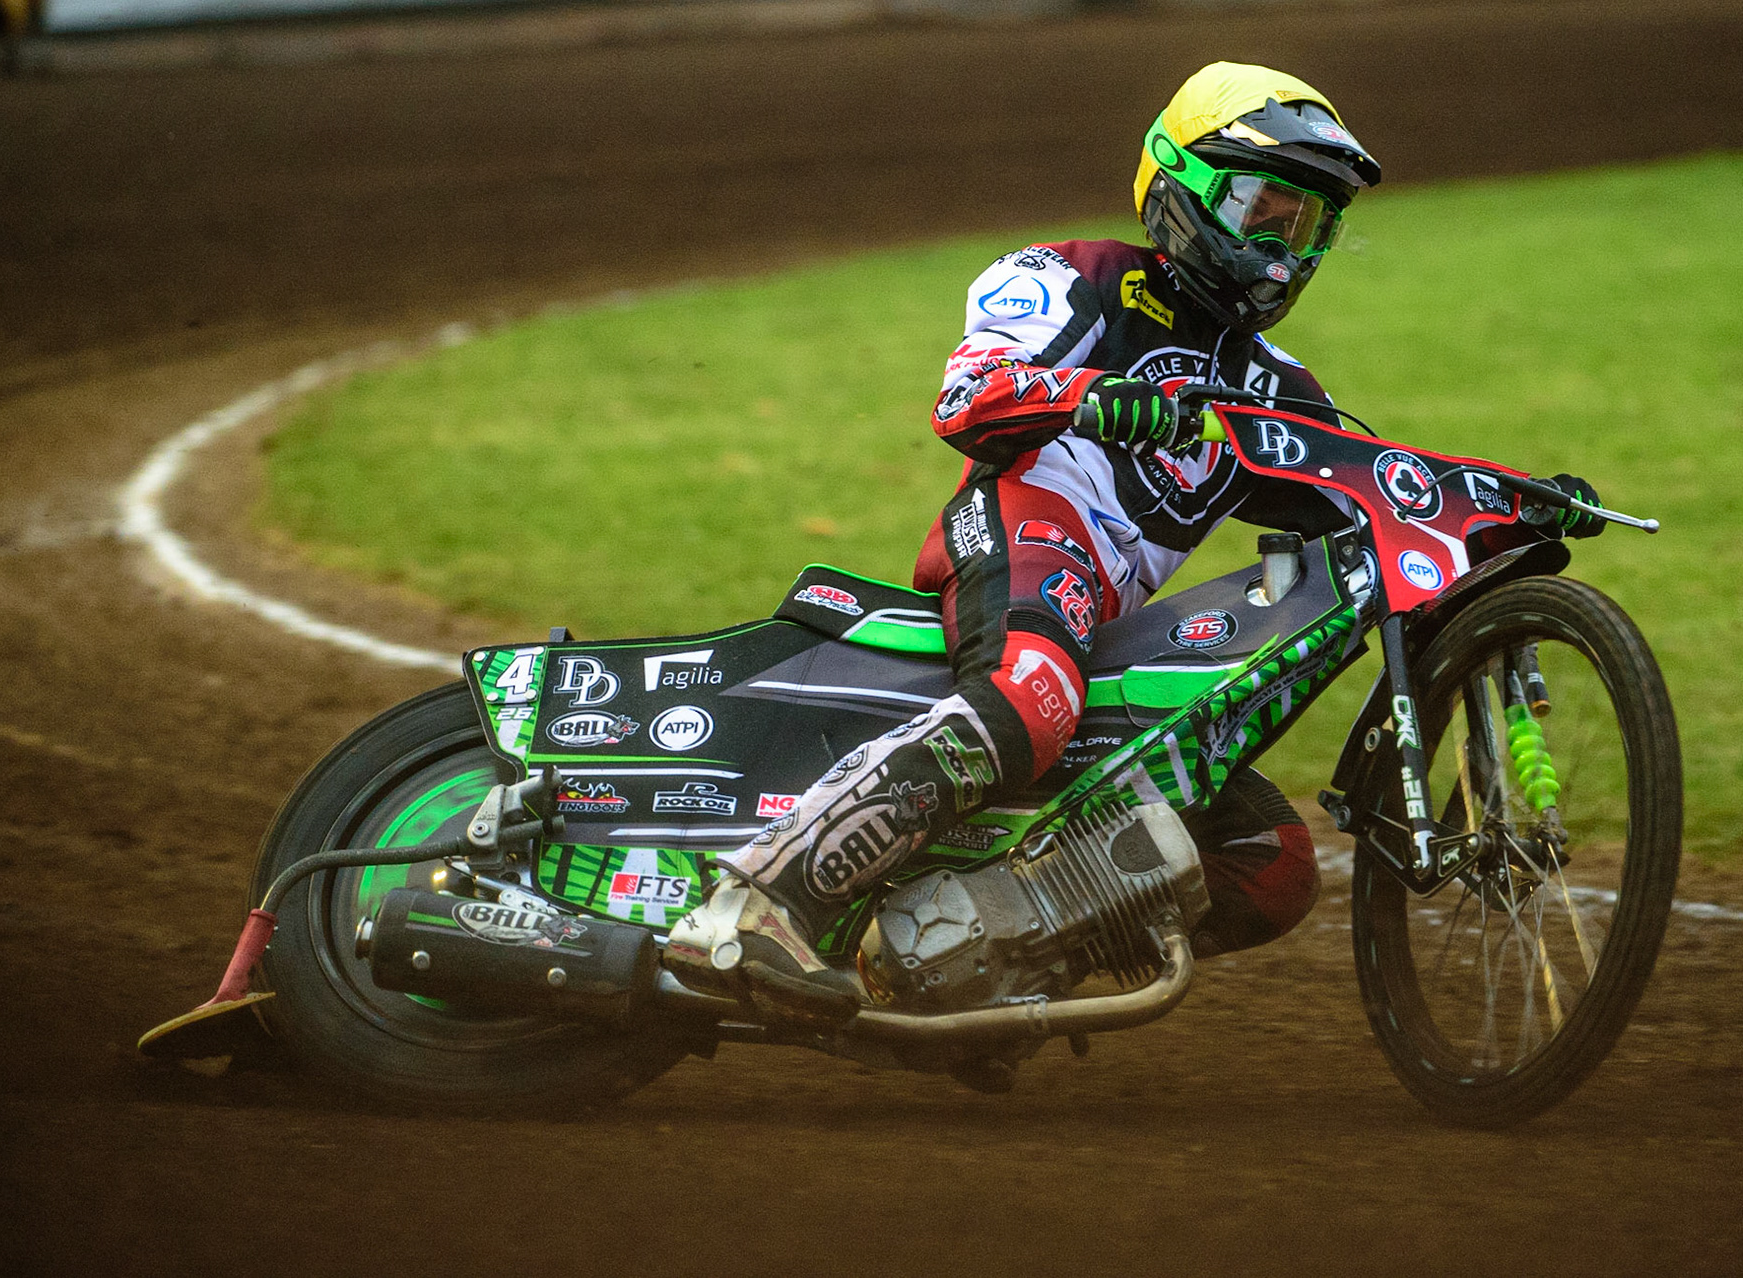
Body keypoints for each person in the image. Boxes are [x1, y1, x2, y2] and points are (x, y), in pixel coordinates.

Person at [666, 62, 1594, 1022]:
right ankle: (759, 900)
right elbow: (964, 400)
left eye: (1306, 225)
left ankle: (990, 963)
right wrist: (1094, 397)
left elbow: (1379, 486)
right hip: (1025, 522)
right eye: (1260, 209)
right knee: (1034, 693)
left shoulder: (1275, 381)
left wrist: (1507, 505)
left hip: (1118, 624)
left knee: (1270, 865)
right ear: (1180, 188)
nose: (1281, 247)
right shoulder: (1072, 277)